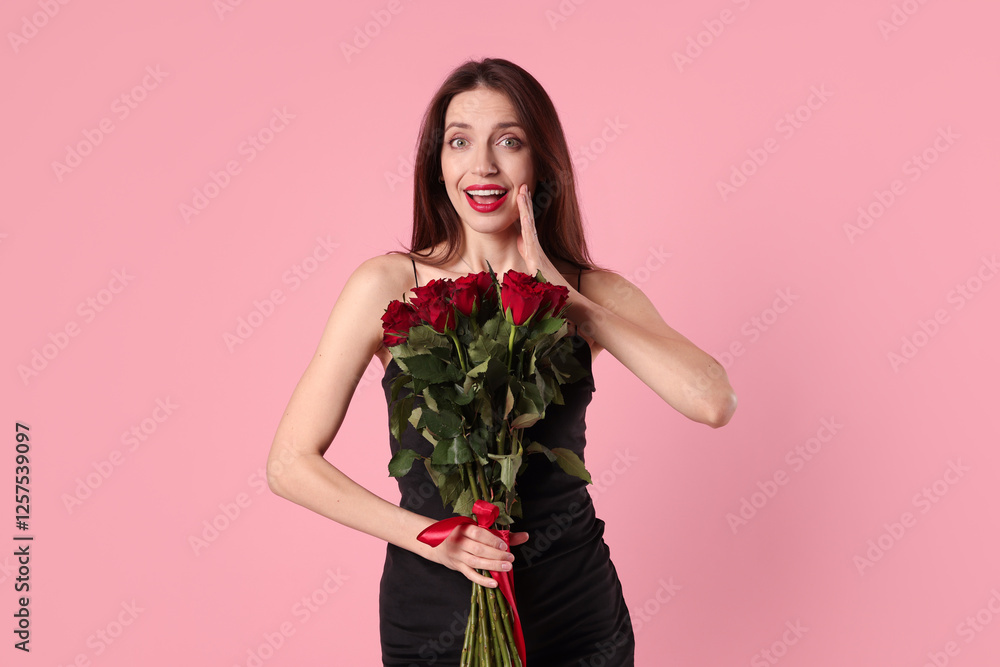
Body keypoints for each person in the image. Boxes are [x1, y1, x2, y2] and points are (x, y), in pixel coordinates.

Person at [266, 57, 737, 666]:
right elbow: (289, 464)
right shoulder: (387, 283)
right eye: (460, 141)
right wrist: (433, 540)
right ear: (438, 163)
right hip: (434, 614)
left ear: (540, 161)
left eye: (508, 141)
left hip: (576, 612)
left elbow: (712, 400)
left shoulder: (592, 292)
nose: (482, 165)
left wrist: (570, 301)